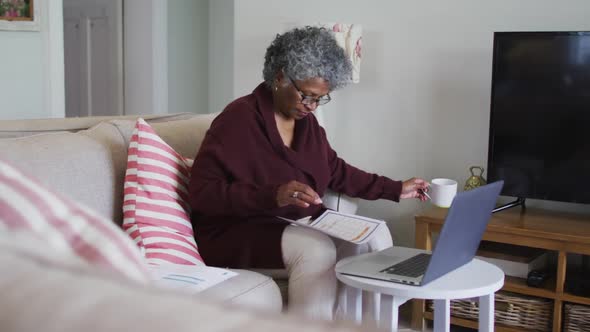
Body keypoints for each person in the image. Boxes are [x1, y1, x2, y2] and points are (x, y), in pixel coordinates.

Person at [189, 26, 429, 320]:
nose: (312, 106)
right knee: (315, 249)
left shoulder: (307, 125)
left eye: (320, 99)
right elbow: (202, 194)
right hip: (234, 230)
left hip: (289, 224)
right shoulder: (237, 120)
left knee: (370, 238)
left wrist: (394, 188)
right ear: (279, 77)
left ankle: (359, 324)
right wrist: (272, 195)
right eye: (306, 95)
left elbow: (335, 170)